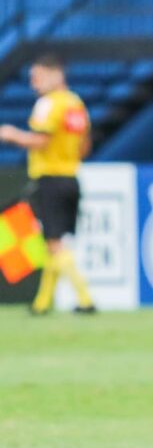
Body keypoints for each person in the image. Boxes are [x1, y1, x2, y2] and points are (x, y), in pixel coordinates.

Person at [0, 54, 95, 315]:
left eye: (38, 76)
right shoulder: (76, 104)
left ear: (57, 74)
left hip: (49, 178)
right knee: (52, 240)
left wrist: (11, 135)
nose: (34, 83)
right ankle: (42, 303)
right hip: (71, 177)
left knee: (54, 242)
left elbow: (41, 140)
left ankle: (85, 298)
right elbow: (85, 146)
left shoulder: (47, 105)